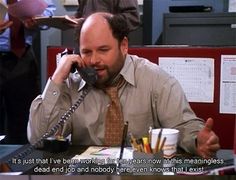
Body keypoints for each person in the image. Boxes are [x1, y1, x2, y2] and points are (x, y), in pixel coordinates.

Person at [27, 12, 220, 158]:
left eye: (103, 50)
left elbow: (183, 125)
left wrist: (197, 140)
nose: (94, 60)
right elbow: (38, 138)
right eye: (86, 52)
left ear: (124, 46)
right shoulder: (71, 83)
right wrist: (57, 77)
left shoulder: (156, 80)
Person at [0, 0, 55, 144]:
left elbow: (49, 10)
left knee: (25, 120)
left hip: (22, 58)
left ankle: (22, 164)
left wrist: (38, 19)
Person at [75, 0, 140, 32]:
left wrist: (105, 23)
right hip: (84, 45)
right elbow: (82, 12)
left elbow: (133, 18)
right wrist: (73, 20)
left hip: (108, 46)